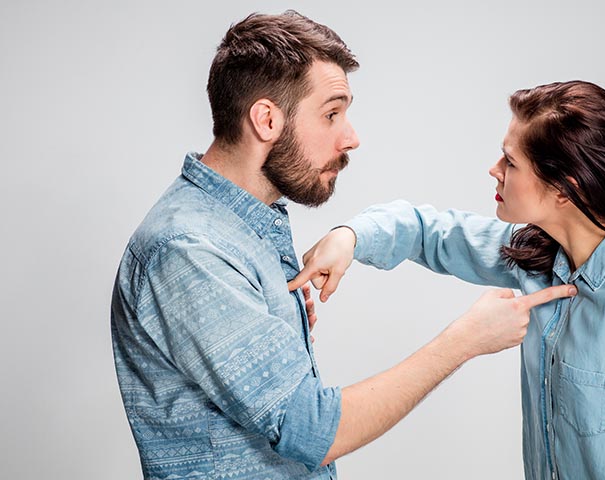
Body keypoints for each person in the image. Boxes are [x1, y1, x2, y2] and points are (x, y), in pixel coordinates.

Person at [110, 11, 576, 480]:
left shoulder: (241, 227)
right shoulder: (189, 249)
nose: (351, 137)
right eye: (332, 113)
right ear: (266, 119)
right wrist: (464, 341)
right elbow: (311, 429)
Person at [291, 81, 605, 479]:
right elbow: (428, 231)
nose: (494, 171)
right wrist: (349, 236)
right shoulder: (534, 255)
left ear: (563, 188)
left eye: (510, 163)